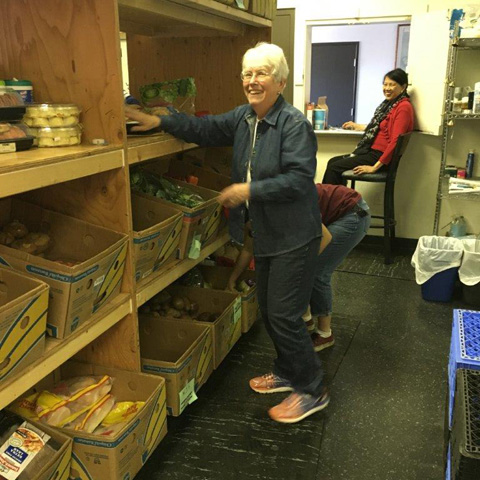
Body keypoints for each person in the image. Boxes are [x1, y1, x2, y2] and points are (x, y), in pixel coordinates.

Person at [126, 42, 328, 424]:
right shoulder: (244, 118)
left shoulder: (293, 124)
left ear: (281, 81)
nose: (253, 81)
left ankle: (312, 388)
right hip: (266, 234)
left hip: (294, 236)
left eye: (262, 73)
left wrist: (248, 190)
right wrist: (163, 121)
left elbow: (300, 181)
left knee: (284, 314)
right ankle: (288, 372)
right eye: (247, 74)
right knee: (269, 311)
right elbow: (203, 127)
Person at [304, 184, 371, 351]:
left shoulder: (291, 203)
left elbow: (324, 237)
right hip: (344, 210)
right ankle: (307, 319)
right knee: (304, 265)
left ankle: (325, 334)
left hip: (354, 216)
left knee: (318, 271)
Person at [322, 68, 414, 185]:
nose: (387, 88)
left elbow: (395, 141)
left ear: (403, 87)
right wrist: (357, 126)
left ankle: (331, 201)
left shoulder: (403, 107)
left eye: (392, 85)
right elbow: (379, 127)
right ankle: (338, 200)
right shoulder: (389, 105)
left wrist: (374, 168)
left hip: (380, 158)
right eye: (385, 84)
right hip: (372, 153)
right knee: (333, 162)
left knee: (334, 167)